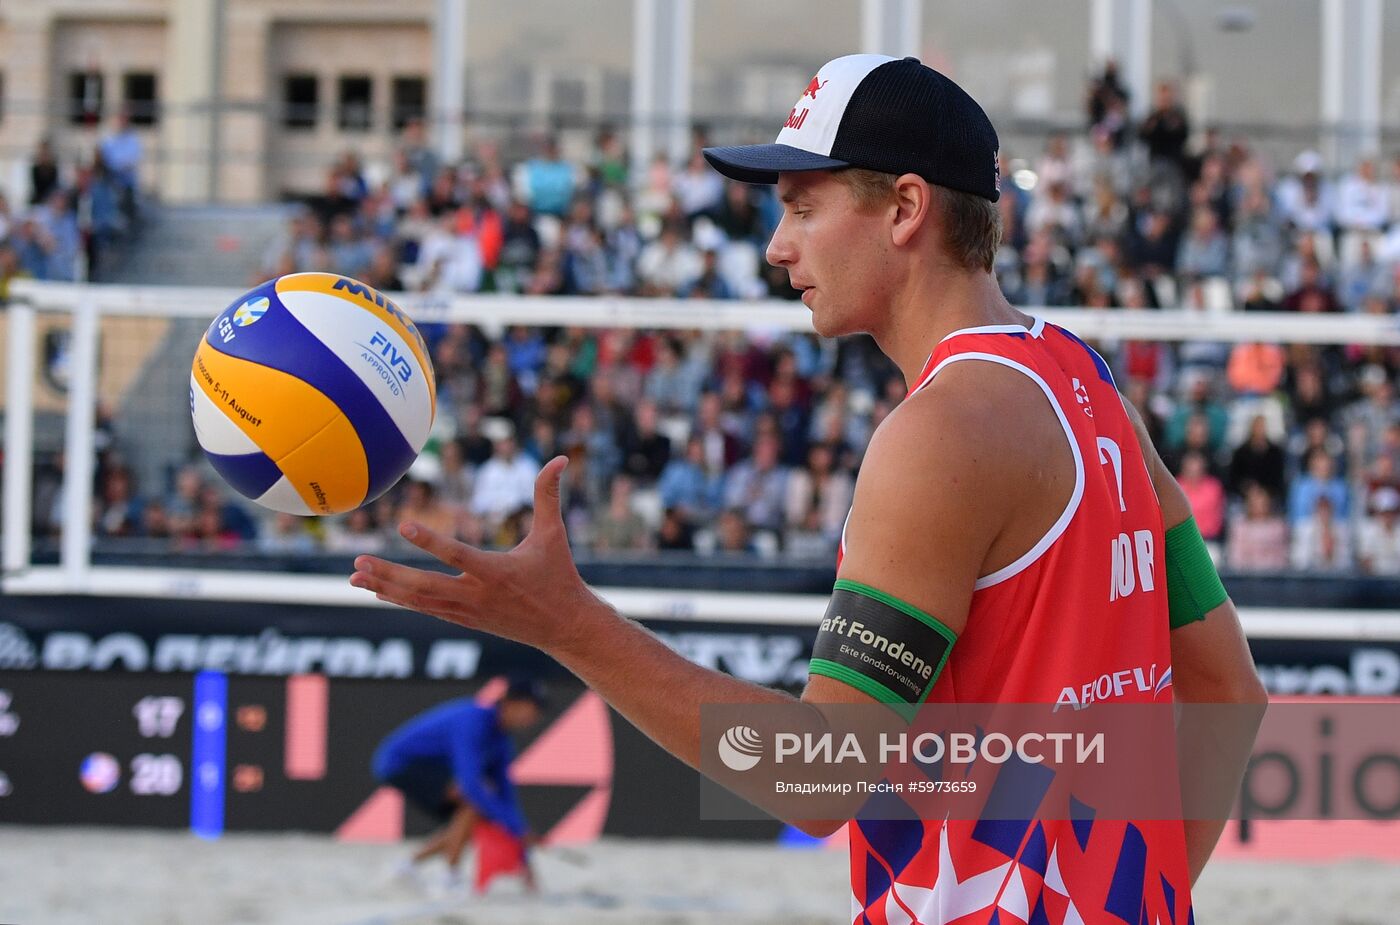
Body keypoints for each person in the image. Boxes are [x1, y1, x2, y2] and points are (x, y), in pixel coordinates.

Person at [352, 54, 1265, 924]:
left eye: (801, 206)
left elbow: (823, 780)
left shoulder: (940, 432)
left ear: (906, 207)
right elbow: (1229, 691)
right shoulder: (1090, 385)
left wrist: (567, 625)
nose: (779, 247)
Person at [372, 678, 545, 893]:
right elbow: (471, 784)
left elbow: (506, 795)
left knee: (477, 815)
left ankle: (407, 866)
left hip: (432, 768)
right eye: (533, 708)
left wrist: (520, 834)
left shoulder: (501, 740)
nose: (535, 717)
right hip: (400, 763)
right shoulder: (473, 721)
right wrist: (517, 829)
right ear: (510, 703)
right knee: (474, 803)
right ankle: (449, 879)